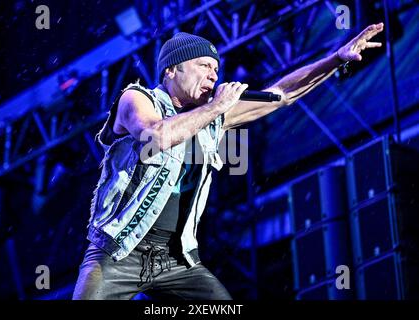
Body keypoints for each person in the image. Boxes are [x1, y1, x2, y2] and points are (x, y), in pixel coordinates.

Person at [73, 23, 384, 300]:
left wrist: (336, 59)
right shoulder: (137, 99)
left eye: (216, 69)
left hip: (177, 260)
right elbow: (156, 137)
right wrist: (219, 106)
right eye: (203, 65)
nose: (213, 74)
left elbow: (282, 94)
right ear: (171, 70)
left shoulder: (213, 115)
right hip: (118, 252)